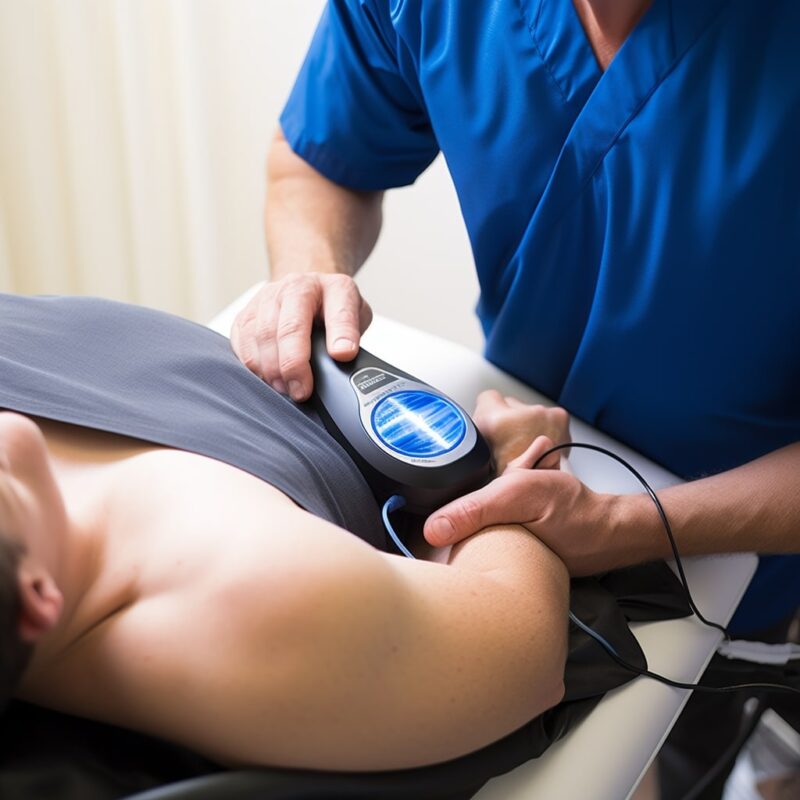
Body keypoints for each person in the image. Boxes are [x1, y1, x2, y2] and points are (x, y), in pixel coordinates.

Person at [230, 1, 800, 797]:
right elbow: (317, 159)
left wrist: (636, 526)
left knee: (682, 742)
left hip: (739, 536)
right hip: (507, 465)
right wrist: (310, 268)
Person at [0, 292, 572, 785]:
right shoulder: (238, 605)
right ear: (34, 599)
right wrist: (517, 469)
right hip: (457, 438)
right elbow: (523, 643)